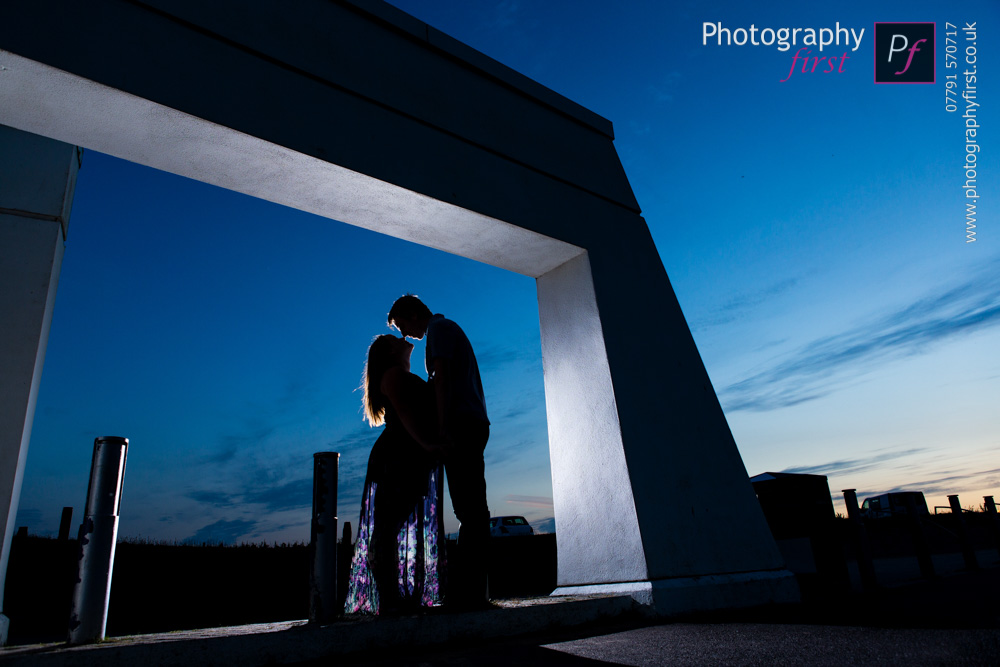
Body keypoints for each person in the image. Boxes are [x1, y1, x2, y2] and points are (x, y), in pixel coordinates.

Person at [388, 295, 491, 608]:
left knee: (470, 510)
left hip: (461, 424)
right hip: (470, 421)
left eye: (403, 326)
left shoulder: (440, 331)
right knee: (471, 508)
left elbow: (443, 378)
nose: (405, 335)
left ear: (412, 314)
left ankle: (469, 594)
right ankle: (472, 591)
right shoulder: (445, 330)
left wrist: (443, 428)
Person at [344, 334, 444, 615]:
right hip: (398, 457)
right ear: (389, 350)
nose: (402, 336)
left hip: (405, 456)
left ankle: (393, 598)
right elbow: (406, 414)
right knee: (387, 528)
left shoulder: (398, 374)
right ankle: (389, 599)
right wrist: (428, 445)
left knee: (389, 526)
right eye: (393, 336)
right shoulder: (392, 375)